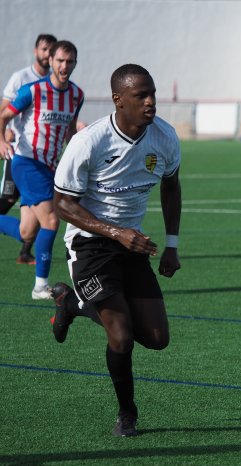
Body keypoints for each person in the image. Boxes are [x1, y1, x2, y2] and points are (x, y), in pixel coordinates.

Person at [49, 64, 182, 438]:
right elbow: (62, 204)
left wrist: (171, 245)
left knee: (157, 338)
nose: (150, 101)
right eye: (141, 95)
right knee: (121, 335)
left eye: (152, 92)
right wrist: (115, 232)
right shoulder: (90, 142)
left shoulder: (164, 138)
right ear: (118, 100)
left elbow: (171, 186)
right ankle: (127, 413)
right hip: (89, 244)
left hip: (131, 242)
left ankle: (72, 304)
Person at [0, 40, 82, 299]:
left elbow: (69, 130)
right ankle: (40, 286)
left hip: (51, 166)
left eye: (69, 61)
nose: (64, 66)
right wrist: (1, 140)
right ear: (51, 61)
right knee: (52, 219)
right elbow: (3, 116)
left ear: (75, 64)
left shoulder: (77, 95)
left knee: (27, 231)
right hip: (25, 162)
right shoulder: (32, 90)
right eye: (60, 60)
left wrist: (76, 155)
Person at [0, 33, 57, 264]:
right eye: (44, 49)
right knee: (8, 200)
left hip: (44, 159)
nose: (47, 55)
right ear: (36, 51)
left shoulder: (57, 87)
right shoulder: (21, 78)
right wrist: (4, 137)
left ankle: (25, 252)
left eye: (51, 51)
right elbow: (4, 110)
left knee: (36, 214)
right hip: (18, 153)